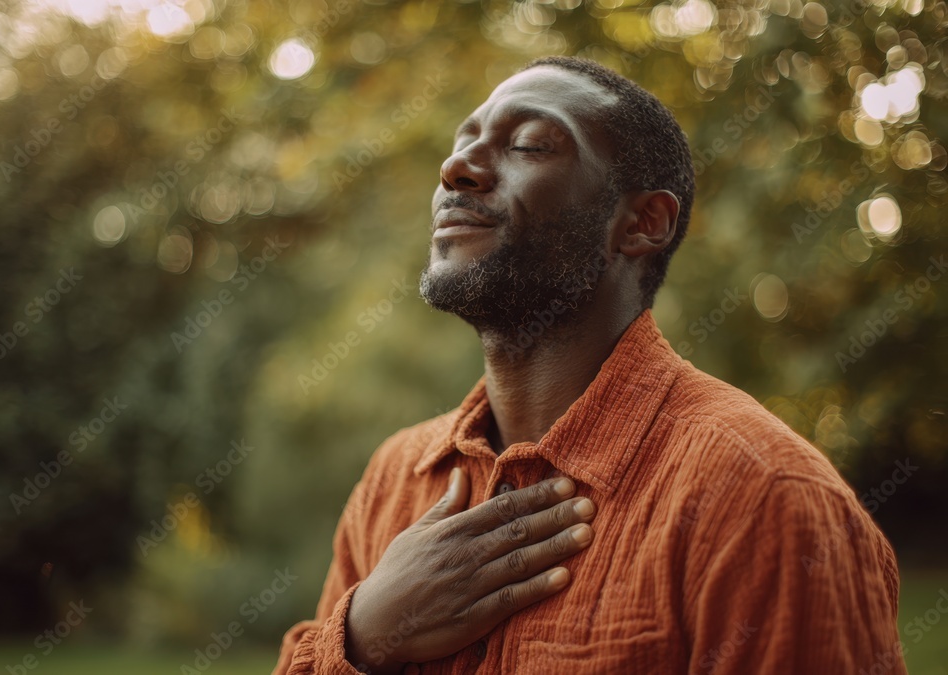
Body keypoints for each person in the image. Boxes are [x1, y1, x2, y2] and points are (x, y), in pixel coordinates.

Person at [272, 55, 906, 675]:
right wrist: (363, 637)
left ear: (641, 223)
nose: (455, 167)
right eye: (463, 143)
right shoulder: (395, 479)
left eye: (527, 145)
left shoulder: (765, 499)